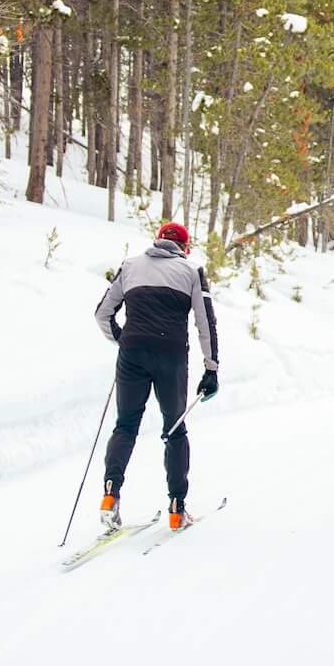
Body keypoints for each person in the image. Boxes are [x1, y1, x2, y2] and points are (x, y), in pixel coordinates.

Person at [92, 222, 221, 532]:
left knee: (125, 425)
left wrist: (123, 339)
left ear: (158, 241)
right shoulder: (192, 272)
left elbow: (102, 313)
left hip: (132, 353)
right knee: (174, 429)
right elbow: (206, 323)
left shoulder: (130, 266)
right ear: (184, 248)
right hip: (171, 356)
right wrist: (211, 369)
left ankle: (111, 494)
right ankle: (177, 508)